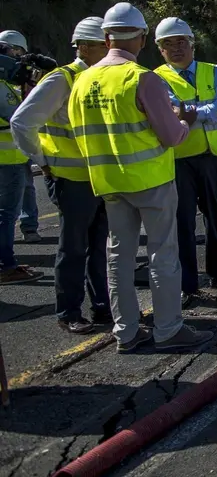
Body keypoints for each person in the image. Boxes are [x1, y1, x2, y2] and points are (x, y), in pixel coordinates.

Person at [68, 2, 212, 353]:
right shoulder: (141, 78)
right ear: (144, 38)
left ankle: (126, 332)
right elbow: (172, 136)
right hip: (151, 181)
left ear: (106, 37)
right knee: (163, 254)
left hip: (108, 183)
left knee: (118, 257)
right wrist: (185, 120)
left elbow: (77, 132)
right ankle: (168, 329)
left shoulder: (82, 80)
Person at [10, 18, 112, 333]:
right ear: (84, 46)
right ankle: (69, 312)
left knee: (99, 248)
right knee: (74, 248)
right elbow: (22, 122)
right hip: (72, 180)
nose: (111, 49)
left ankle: (102, 309)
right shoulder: (62, 79)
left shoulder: (101, 77)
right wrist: (43, 160)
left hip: (101, 179)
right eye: (104, 44)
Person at [153, 17, 217, 304]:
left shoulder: (213, 71)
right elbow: (171, 110)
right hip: (179, 160)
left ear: (192, 44)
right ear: (160, 50)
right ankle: (187, 284)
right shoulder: (155, 78)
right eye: (169, 44)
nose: (176, 48)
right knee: (181, 224)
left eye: (181, 42)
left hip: (214, 157)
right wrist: (204, 109)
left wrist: (196, 112)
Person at [0, 30, 42, 285]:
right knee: (6, 215)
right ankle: (6, 266)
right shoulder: (3, 87)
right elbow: (19, 118)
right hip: (8, 160)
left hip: (12, 159)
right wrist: (31, 91)